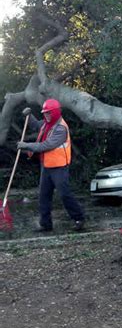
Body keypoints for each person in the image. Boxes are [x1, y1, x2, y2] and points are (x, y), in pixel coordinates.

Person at [17, 99, 85, 233]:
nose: (46, 115)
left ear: (55, 112)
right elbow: (36, 125)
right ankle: (46, 224)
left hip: (59, 167)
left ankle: (79, 218)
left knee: (65, 194)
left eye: (48, 113)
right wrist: (28, 116)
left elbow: (46, 145)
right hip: (46, 166)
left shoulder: (60, 128)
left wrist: (26, 145)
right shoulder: (47, 123)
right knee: (44, 196)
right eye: (44, 113)